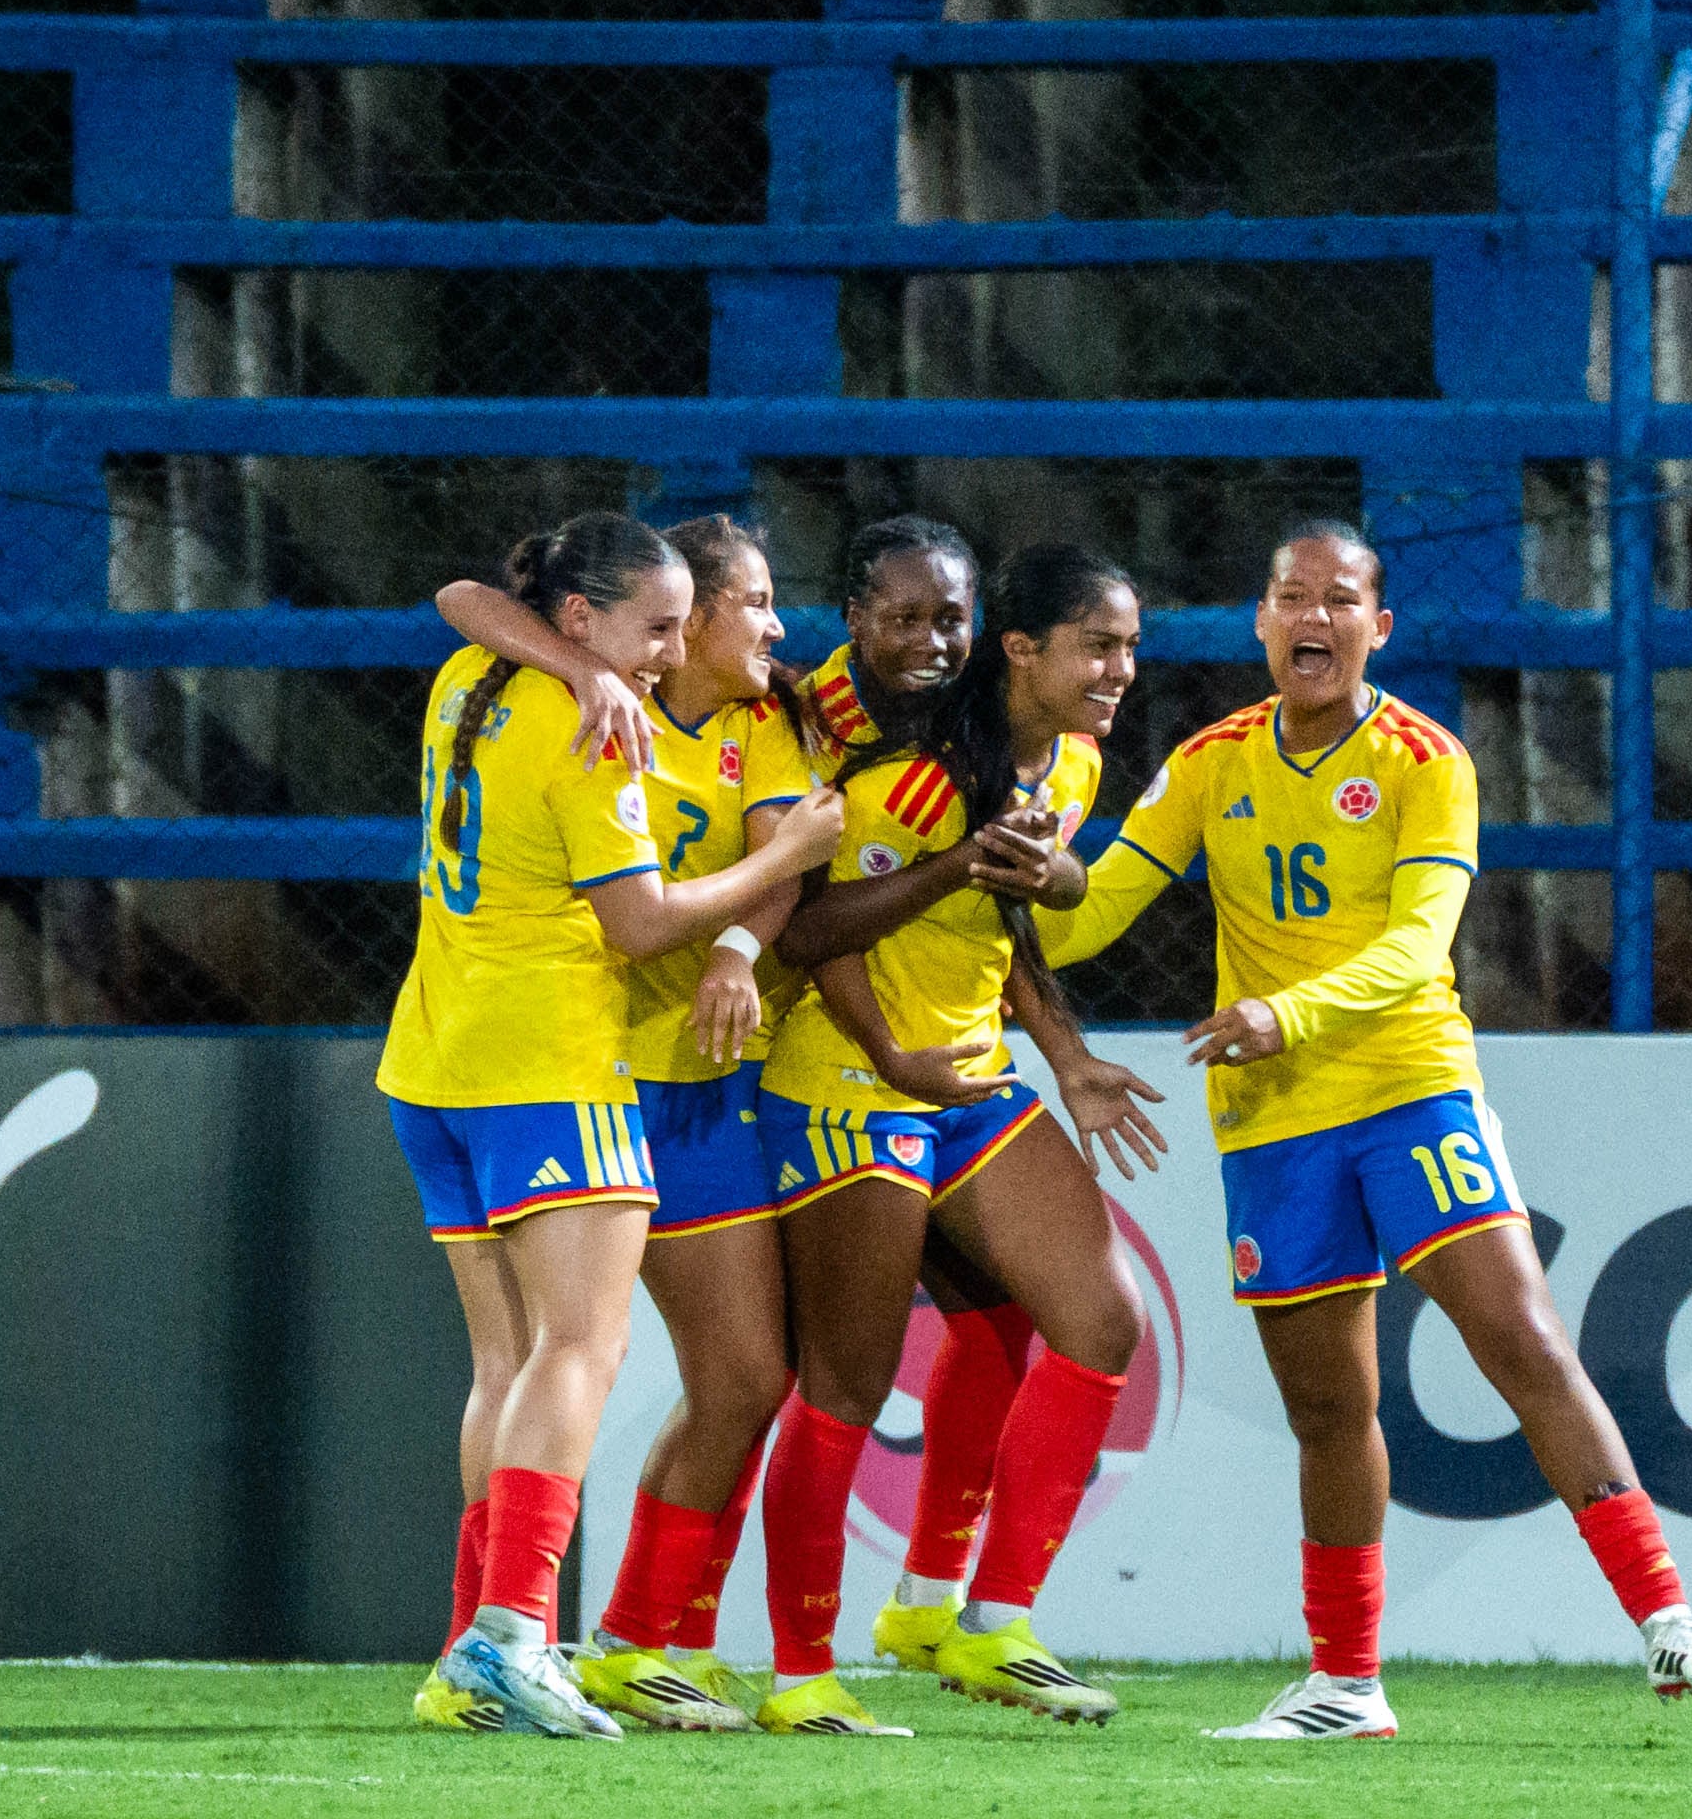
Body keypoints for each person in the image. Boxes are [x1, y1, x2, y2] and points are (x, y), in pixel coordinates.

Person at [1029, 525, 1692, 1738]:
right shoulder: (1210, 761)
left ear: (1379, 627)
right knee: (1329, 1412)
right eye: (1290, 597)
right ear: (1261, 622)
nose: (1312, 618)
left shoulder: (1427, 760)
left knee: (1521, 1338)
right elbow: (1091, 914)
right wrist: (1009, 882)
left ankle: (1668, 1620)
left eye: (1339, 599)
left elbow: (1420, 947)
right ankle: (1346, 1684)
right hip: (1273, 1121)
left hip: (1409, 1087)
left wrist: (1285, 1012)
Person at [441, 515, 1159, 1733]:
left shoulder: (1006, 748)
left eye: (950, 618)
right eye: (902, 616)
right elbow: (809, 915)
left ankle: (956, 1613)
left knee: (1074, 1320)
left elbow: (1004, 906)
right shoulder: (790, 712)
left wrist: (1068, 1032)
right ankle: (656, 1648)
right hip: (782, 1072)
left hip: (921, 1072)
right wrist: (857, 1011)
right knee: (755, 1376)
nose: (931, 640)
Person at [382, 513, 847, 1740]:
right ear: (581, 617)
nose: (668, 653)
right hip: (548, 1059)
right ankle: (514, 1636)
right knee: (581, 1347)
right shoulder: (595, 728)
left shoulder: (469, 678)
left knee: (507, 1364)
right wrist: (785, 858)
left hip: (434, 1053)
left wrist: (587, 664)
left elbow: (463, 594)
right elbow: (639, 926)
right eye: (654, 628)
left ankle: (469, 1653)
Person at [757, 543, 1159, 1727]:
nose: (1121, 670)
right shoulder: (908, 772)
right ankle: (801, 1675)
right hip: (853, 1081)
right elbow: (808, 934)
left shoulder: (1072, 760)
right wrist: (894, 1048)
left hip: (970, 1080)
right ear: (1022, 650)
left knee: (1099, 1320)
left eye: (1130, 648)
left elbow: (1008, 919)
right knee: (845, 1382)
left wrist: (1068, 1057)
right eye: (1099, 646)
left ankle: (979, 1620)